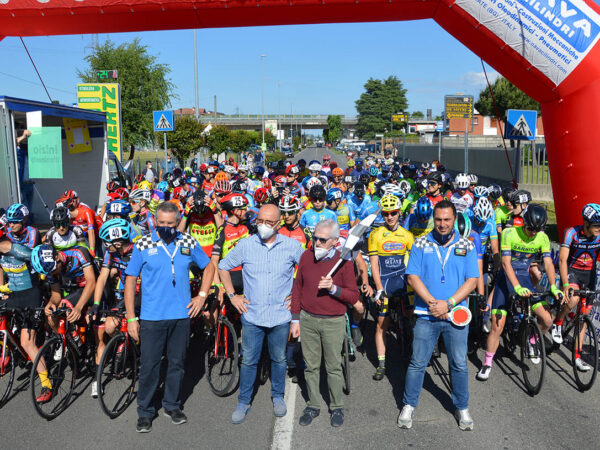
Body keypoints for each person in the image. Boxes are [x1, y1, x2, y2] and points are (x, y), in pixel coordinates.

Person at [124, 201, 215, 433]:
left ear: (178, 223)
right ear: (155, 221)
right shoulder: (143, 243)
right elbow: (130, 280)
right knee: (150, 366)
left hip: (181, 316)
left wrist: (201, 296)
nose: (165, 227)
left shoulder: (187, 241)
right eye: (161, 223)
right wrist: (131, 318)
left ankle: (172, 405)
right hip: (152, 317)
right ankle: (145, 411)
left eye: (170, 224)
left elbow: (209, 267)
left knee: (177, 364)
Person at [218, 204, 304, 425]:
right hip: (253, 315)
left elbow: (307, 272)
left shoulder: (292, 246)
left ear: (278, 223)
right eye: (260, 221)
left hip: (280, 316)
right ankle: (244, 401)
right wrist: (232, 296)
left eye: (269, 222)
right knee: (249, 360)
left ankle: (278, 396)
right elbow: (223, 267)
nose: (263, 226)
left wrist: (298, 296)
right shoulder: (246, 245)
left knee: (279, 359)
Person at [398, 200, 479, 431]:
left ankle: (462, 407)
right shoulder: (420, 243)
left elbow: (472, 281)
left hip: (456, 315)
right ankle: (408, 405)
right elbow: (412, 277)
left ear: (455, 220)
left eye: (447, 220)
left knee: (459, 364)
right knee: (417, 363)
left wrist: (449, 304)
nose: (442, 224)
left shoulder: (467, 245)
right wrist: (434, 304)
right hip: (427, 314)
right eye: (439, 219)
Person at [476, 204, 562, 382]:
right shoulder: (510, 233)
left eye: (537, 230)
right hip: (506, 280)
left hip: (524, 279)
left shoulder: (542, 237)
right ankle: (487, 363)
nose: (533, 233)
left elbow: (547, 263)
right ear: (524, 223)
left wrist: (554, 285)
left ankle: (531, 339)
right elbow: (505, 263)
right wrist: (515, 286)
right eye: (530, 229)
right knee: (497, 326)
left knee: (547, 319)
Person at [290, 219, 359, 427]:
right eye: (315, 238)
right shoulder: (306, 256)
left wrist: (333, 289)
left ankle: (336, 407)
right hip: (308, 319)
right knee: (311, 367)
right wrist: (295, 319)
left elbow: (353, 296)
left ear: (335, 241)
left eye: (322, 239)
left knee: (333, 367)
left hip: (333, 322)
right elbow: (297, 288)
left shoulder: (344, 262)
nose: (317, 243)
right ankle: (313, 404)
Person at [369, 194, 414, 380]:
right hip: (385, 282)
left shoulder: (407, 235)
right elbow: (374, 265)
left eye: (393, 213)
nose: (390, 217)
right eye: (386, 213)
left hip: (403, 280)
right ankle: (381, 364)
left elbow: (413, 264)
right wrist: (379, 289)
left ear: (399, 212)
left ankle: (413, 349)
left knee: (411, 316)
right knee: (382, 325)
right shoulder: (375, 235)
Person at [553, 203, 600, 370]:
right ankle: (558, 321)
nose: (599, 228)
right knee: (573, 300)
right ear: (586, 223)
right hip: (572, 273)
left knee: (584, 315)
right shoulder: (571, 233)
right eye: (596, 225)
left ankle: (578, 357)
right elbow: (562, 260)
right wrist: (565, 284)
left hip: (589, 276)